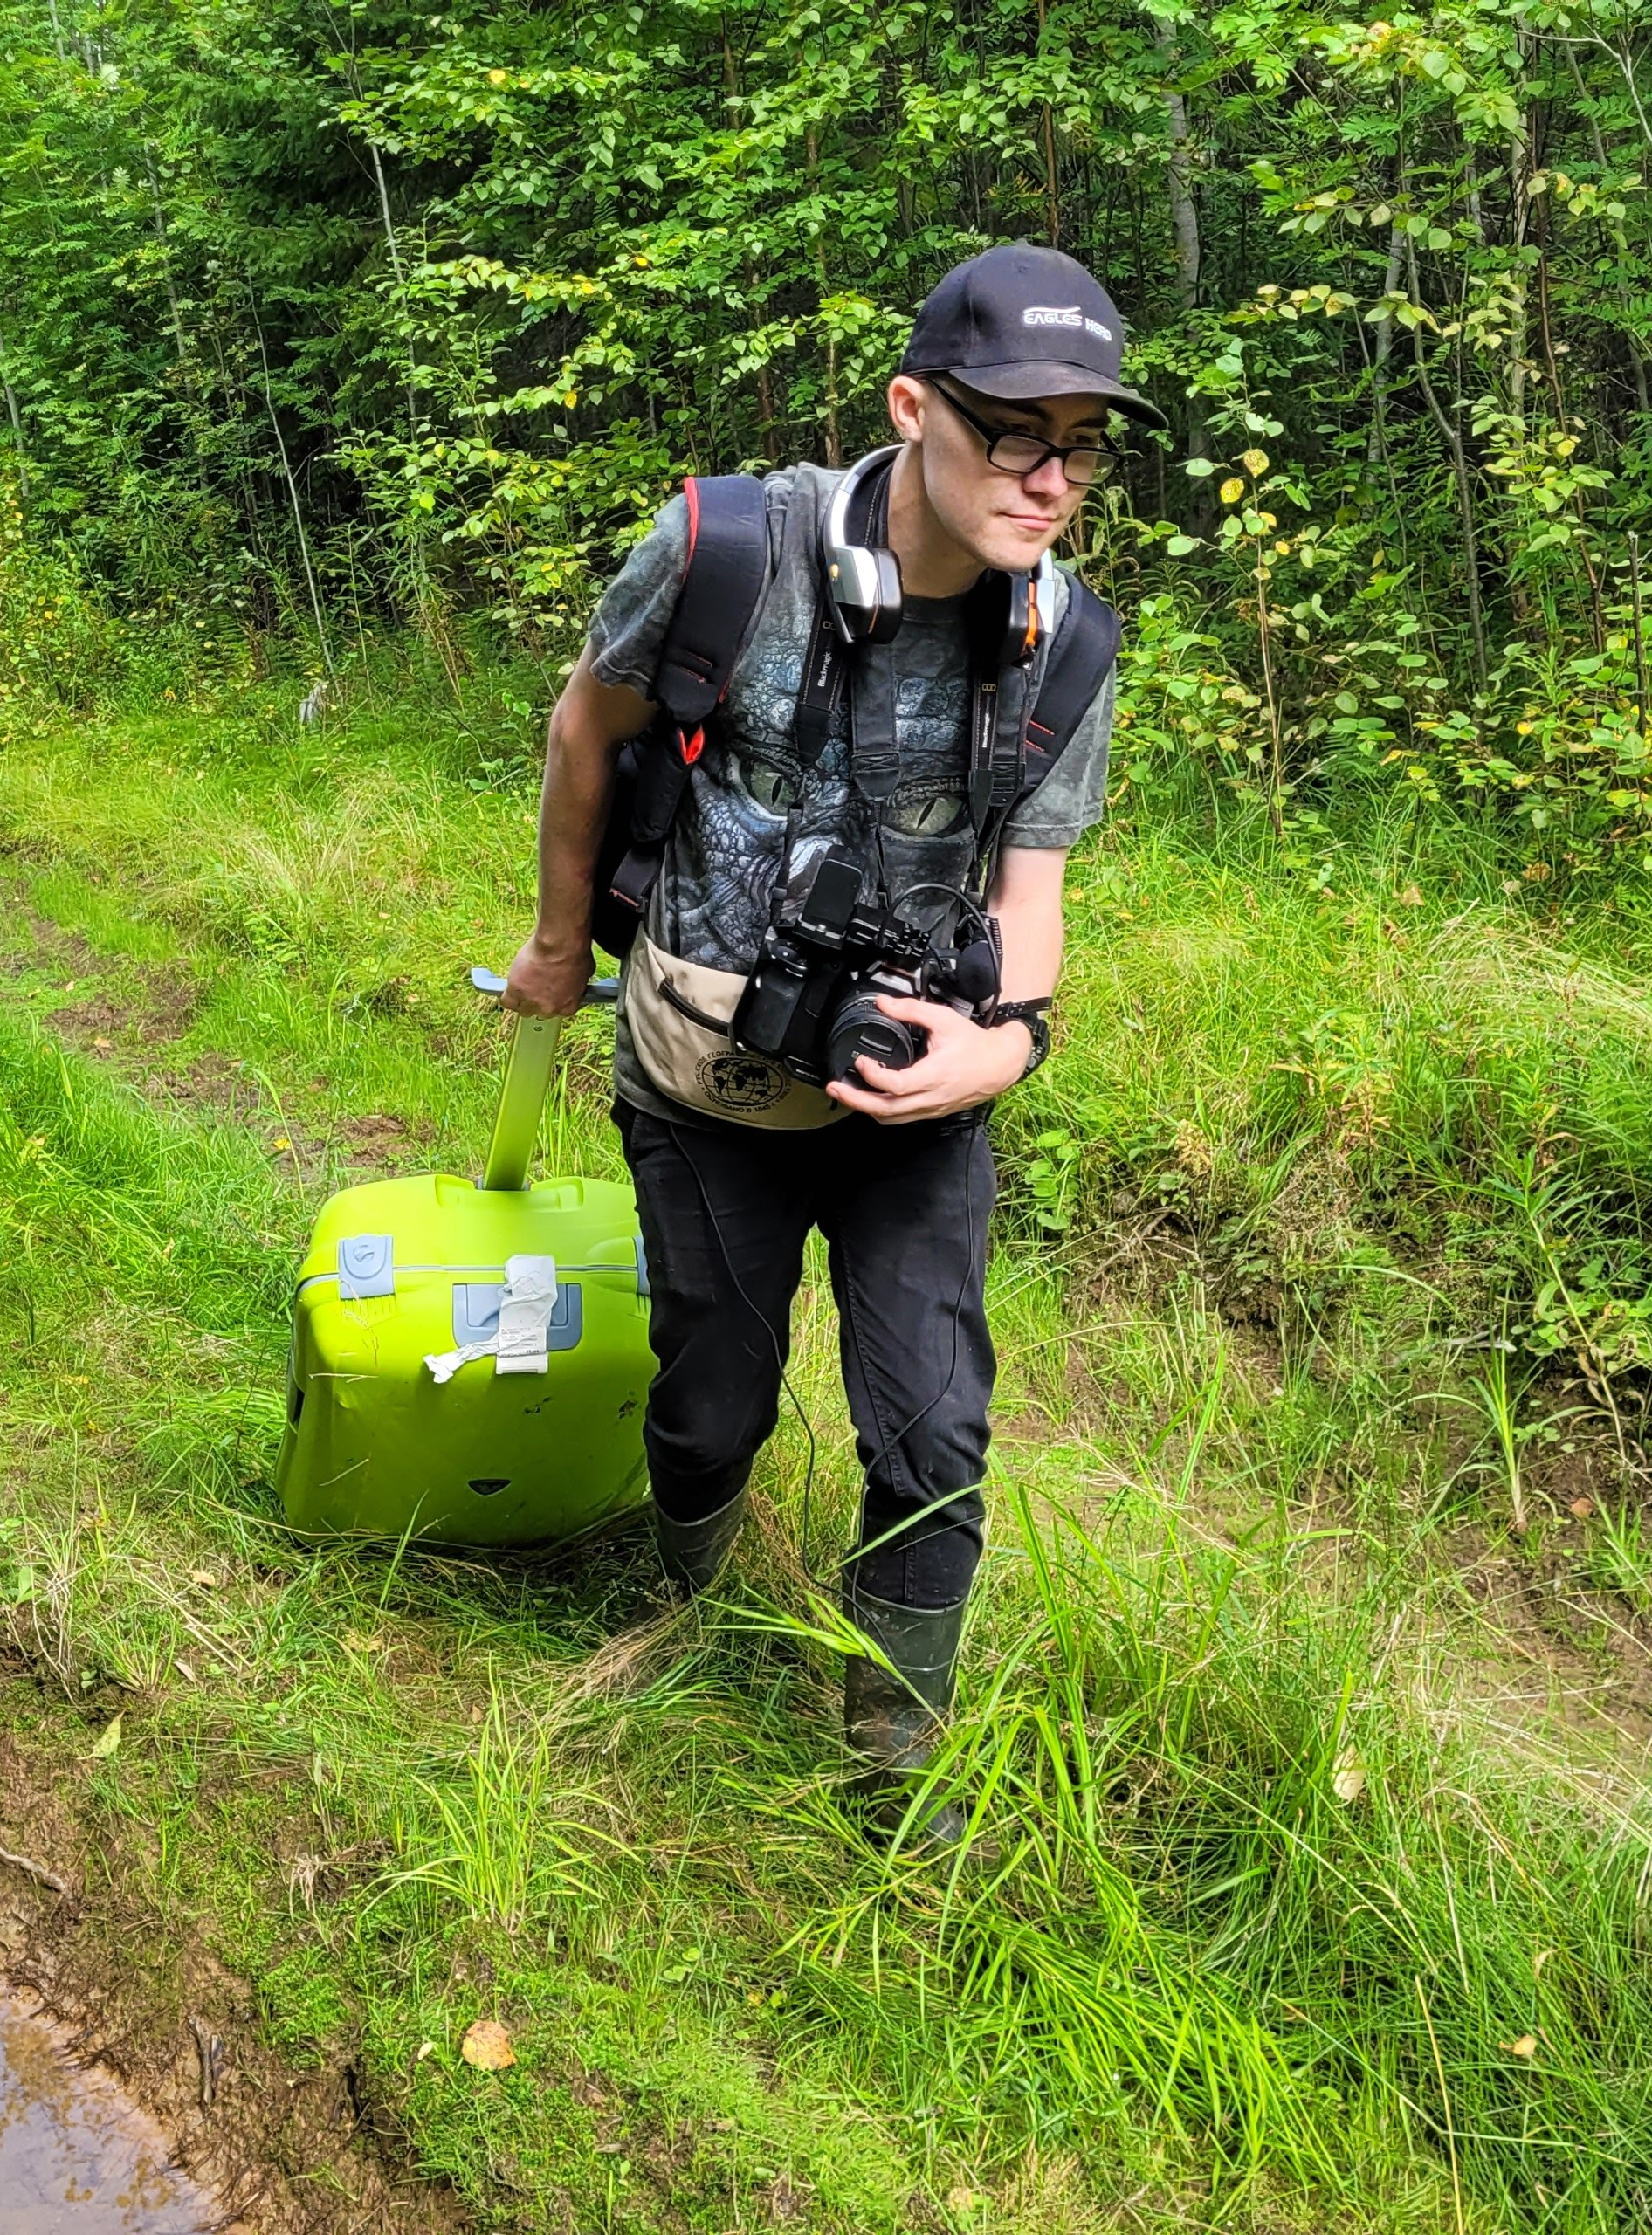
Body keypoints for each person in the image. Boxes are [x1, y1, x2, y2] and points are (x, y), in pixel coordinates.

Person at [504, 244, 1158, 1838]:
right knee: (713, 1391)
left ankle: (895, 1773)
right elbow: (586, 729)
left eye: (1084, 442)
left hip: (910, 1095)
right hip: (706, 1073)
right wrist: (549, 943)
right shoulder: (733, 549)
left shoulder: (1063, 642)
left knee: (933, 1427)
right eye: (1015, 432)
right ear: (913, 406)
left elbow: (1037, 895)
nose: (1052, 479)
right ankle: (691, 1589)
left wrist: (1003, 1052)